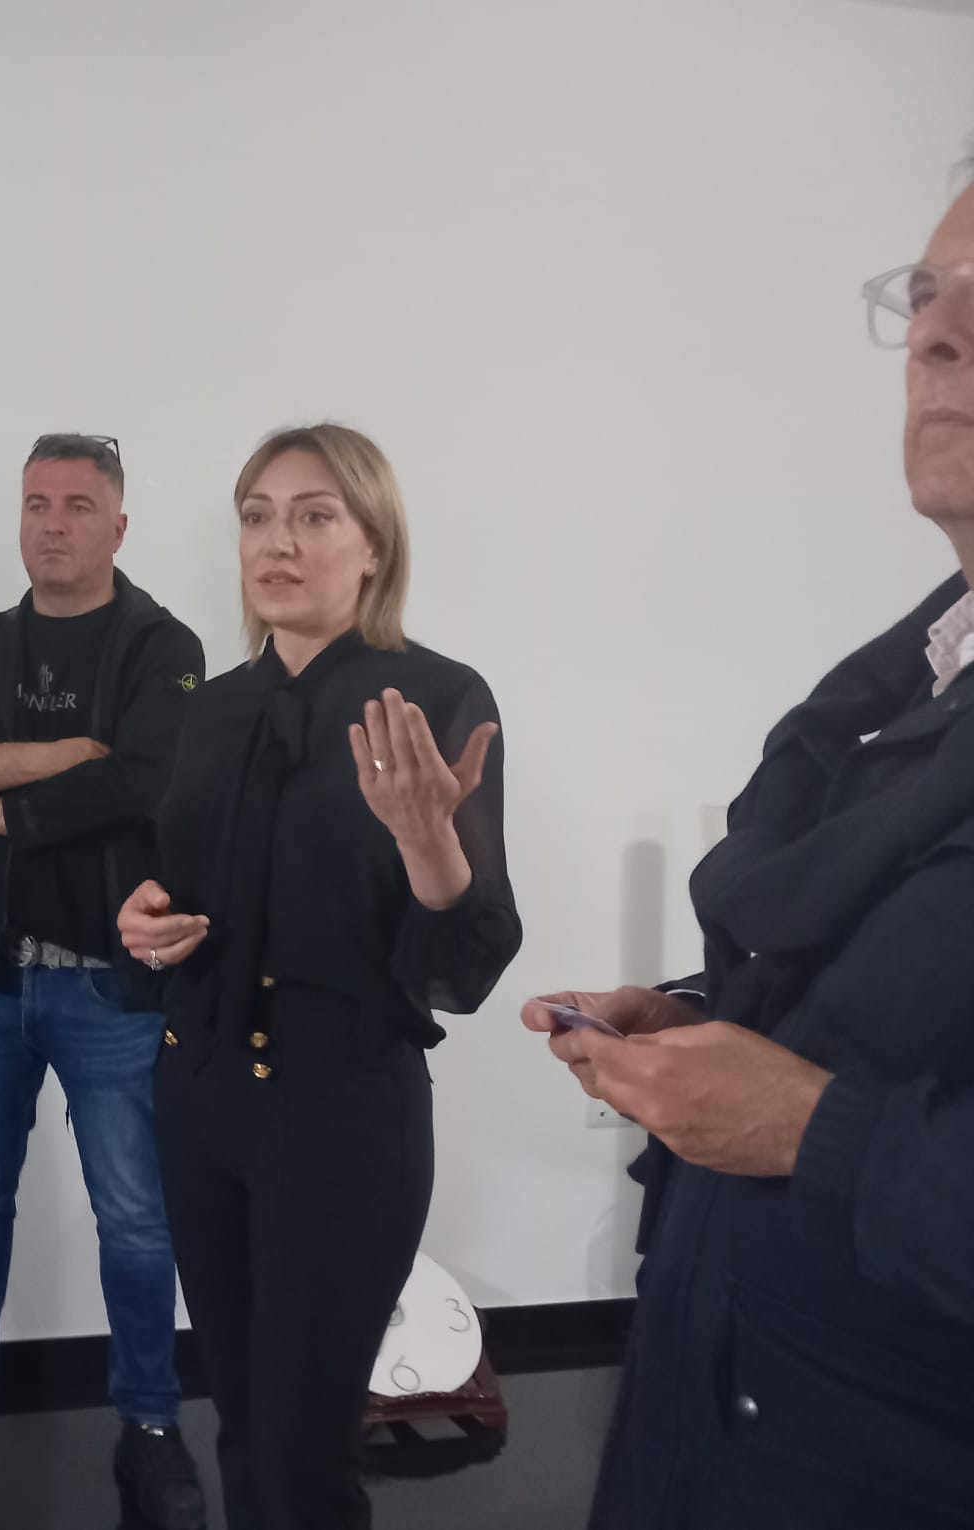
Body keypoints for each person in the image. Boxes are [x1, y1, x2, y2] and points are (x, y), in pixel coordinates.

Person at [523, 170, 974, 1530]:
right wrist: (706, 1021)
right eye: (929, 296)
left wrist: (813, 1130)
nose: (941, 332)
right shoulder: (912, 682)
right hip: (727, 1409)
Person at [120, 424, 521, 1530]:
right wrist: (143, 919)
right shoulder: (210, 710)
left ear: (374, 545)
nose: (277, 541)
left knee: (305, 1453)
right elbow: (177, 889)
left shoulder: (434, 699)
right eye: (257, 516)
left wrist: (429, 843)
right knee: (243, 1423)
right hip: (197, 1095)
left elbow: (468, 961)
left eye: (313, 515)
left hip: (339, 1111)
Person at [0, 434, 209, 1530]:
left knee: (135, 1216)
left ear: (119, 525)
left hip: (112, 986)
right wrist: (56, 757)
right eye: (35, 504)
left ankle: (150, 1425)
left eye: (76, 505)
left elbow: (148, 781)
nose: (52, 524)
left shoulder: (165, 646)